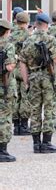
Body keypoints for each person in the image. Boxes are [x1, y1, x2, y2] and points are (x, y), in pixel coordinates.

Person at [19, 13, 56, 153]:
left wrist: (26, 81)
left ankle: (36, 144)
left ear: (36, 24)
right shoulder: (50, 39)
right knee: (49, 109)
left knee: (35, 110)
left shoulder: (28, 40)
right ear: (46, 24)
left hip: (33, 77)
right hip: (48, 78)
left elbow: (22, 63)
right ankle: (47, 143)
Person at [9, 12, 31, 136]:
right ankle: (23, 125)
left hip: (12, 69)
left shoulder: (10, 35)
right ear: (27, 22)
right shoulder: (28, 36)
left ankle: (16, 125)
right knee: (25, 97)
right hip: (24, 69)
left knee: (15, 97)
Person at [0, 20, 17, 162]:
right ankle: (2, 150)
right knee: (4, 118)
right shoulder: (8, 45)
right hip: (4, 86)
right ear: (6, 31)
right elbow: (10, 66)